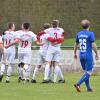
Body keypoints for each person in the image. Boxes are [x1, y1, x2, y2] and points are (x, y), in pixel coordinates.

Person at [74, 19, 99, 92]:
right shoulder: (90, 34)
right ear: (89, 26)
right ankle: (78, 83)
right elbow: (93, 45)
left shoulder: (79, 34)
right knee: (89, 72)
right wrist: (96, 53)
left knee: (86, 72)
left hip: (81, 55)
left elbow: (76, 44)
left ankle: (88, 88)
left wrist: (74, 53)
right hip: (88, 55)